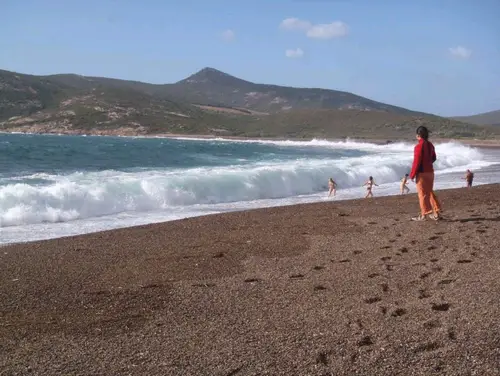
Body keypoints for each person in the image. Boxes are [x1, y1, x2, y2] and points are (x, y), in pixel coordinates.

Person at [409, 126, 442, 221]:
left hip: (422, 173)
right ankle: (436, 212)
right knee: (429, 192)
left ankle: (424, 215)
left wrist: (412, 174)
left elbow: (416, 161)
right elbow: (434, 158)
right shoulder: (430, 145)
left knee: (422, 194)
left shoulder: (418, 146)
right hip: (430, 172)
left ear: (418, 135)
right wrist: (428, 163)